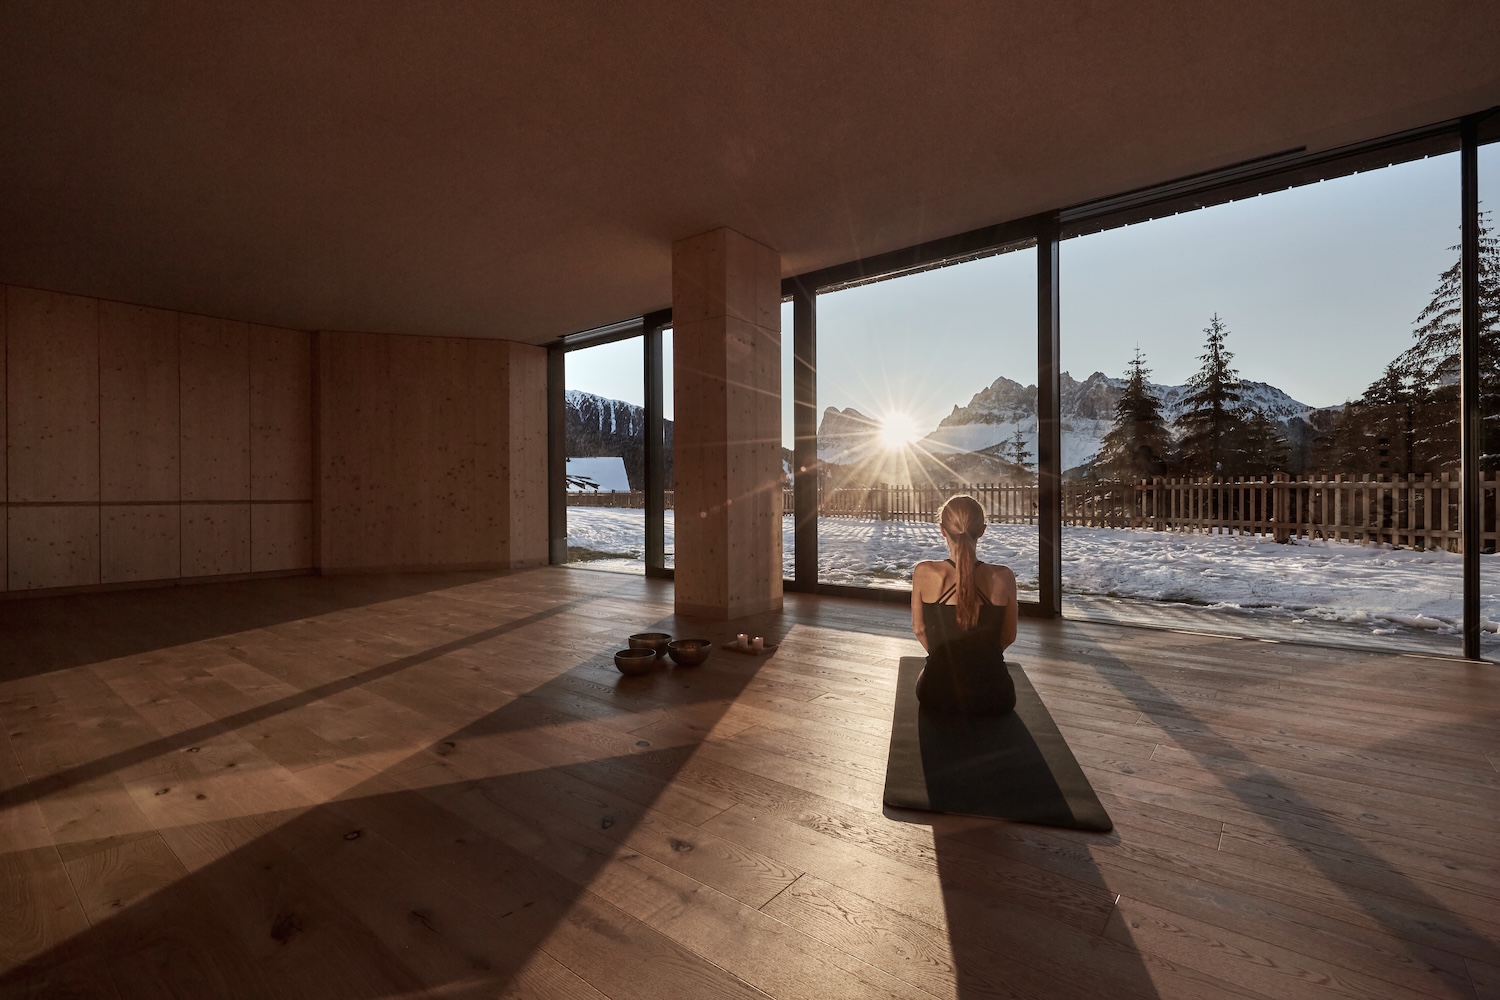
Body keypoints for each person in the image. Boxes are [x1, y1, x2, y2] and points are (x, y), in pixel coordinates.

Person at [910, 494, 1018, 715]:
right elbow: (1008, 637)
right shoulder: (1004, 576)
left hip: (937, 694)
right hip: (995, 696)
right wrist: (977, 660)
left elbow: (920, 630)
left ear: (942, 529)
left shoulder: (924, 572)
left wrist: (946, 660)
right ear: (982, 530)